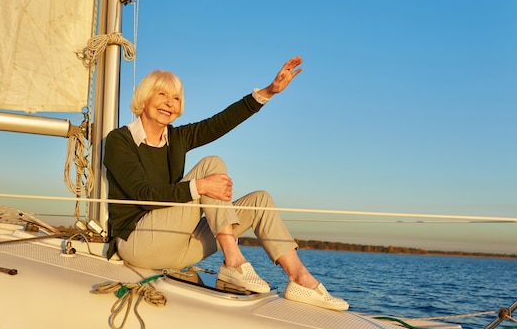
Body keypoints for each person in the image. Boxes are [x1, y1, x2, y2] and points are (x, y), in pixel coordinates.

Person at [103, 56, 348, 311]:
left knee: (259, 201)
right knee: (211, 166)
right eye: (162, 94)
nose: (169, 103)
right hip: (138, 244)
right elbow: (142, 194)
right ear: (145, 97)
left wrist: (268, 92)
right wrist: (200, 187)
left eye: (176, 98)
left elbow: (219, 123)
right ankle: (233, 261)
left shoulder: (177, 138)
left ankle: (300, 279)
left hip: (177, 247)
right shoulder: (120, 140)